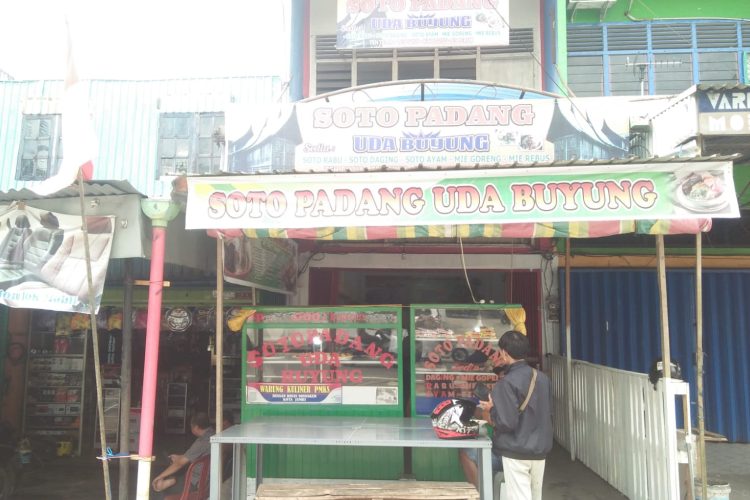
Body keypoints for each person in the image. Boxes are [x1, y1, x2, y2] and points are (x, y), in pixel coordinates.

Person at [481, 330, 552, 500]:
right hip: (540, 450)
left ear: (504, 353)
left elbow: (506, 423)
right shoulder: (542, 378)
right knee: (535, 496)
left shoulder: (506, 383)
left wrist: (491, 408)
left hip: (517, 451)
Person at [152, 412, 215, 495]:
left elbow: (180, 463)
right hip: (206, 478)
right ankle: (172, 479)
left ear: (195, 427)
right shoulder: (213, 434)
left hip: (195, 482)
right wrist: (181, 456)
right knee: (173, 470)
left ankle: (170, 482)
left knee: (157, 488)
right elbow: (196, 454)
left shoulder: (202, 442)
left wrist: (160, 477)